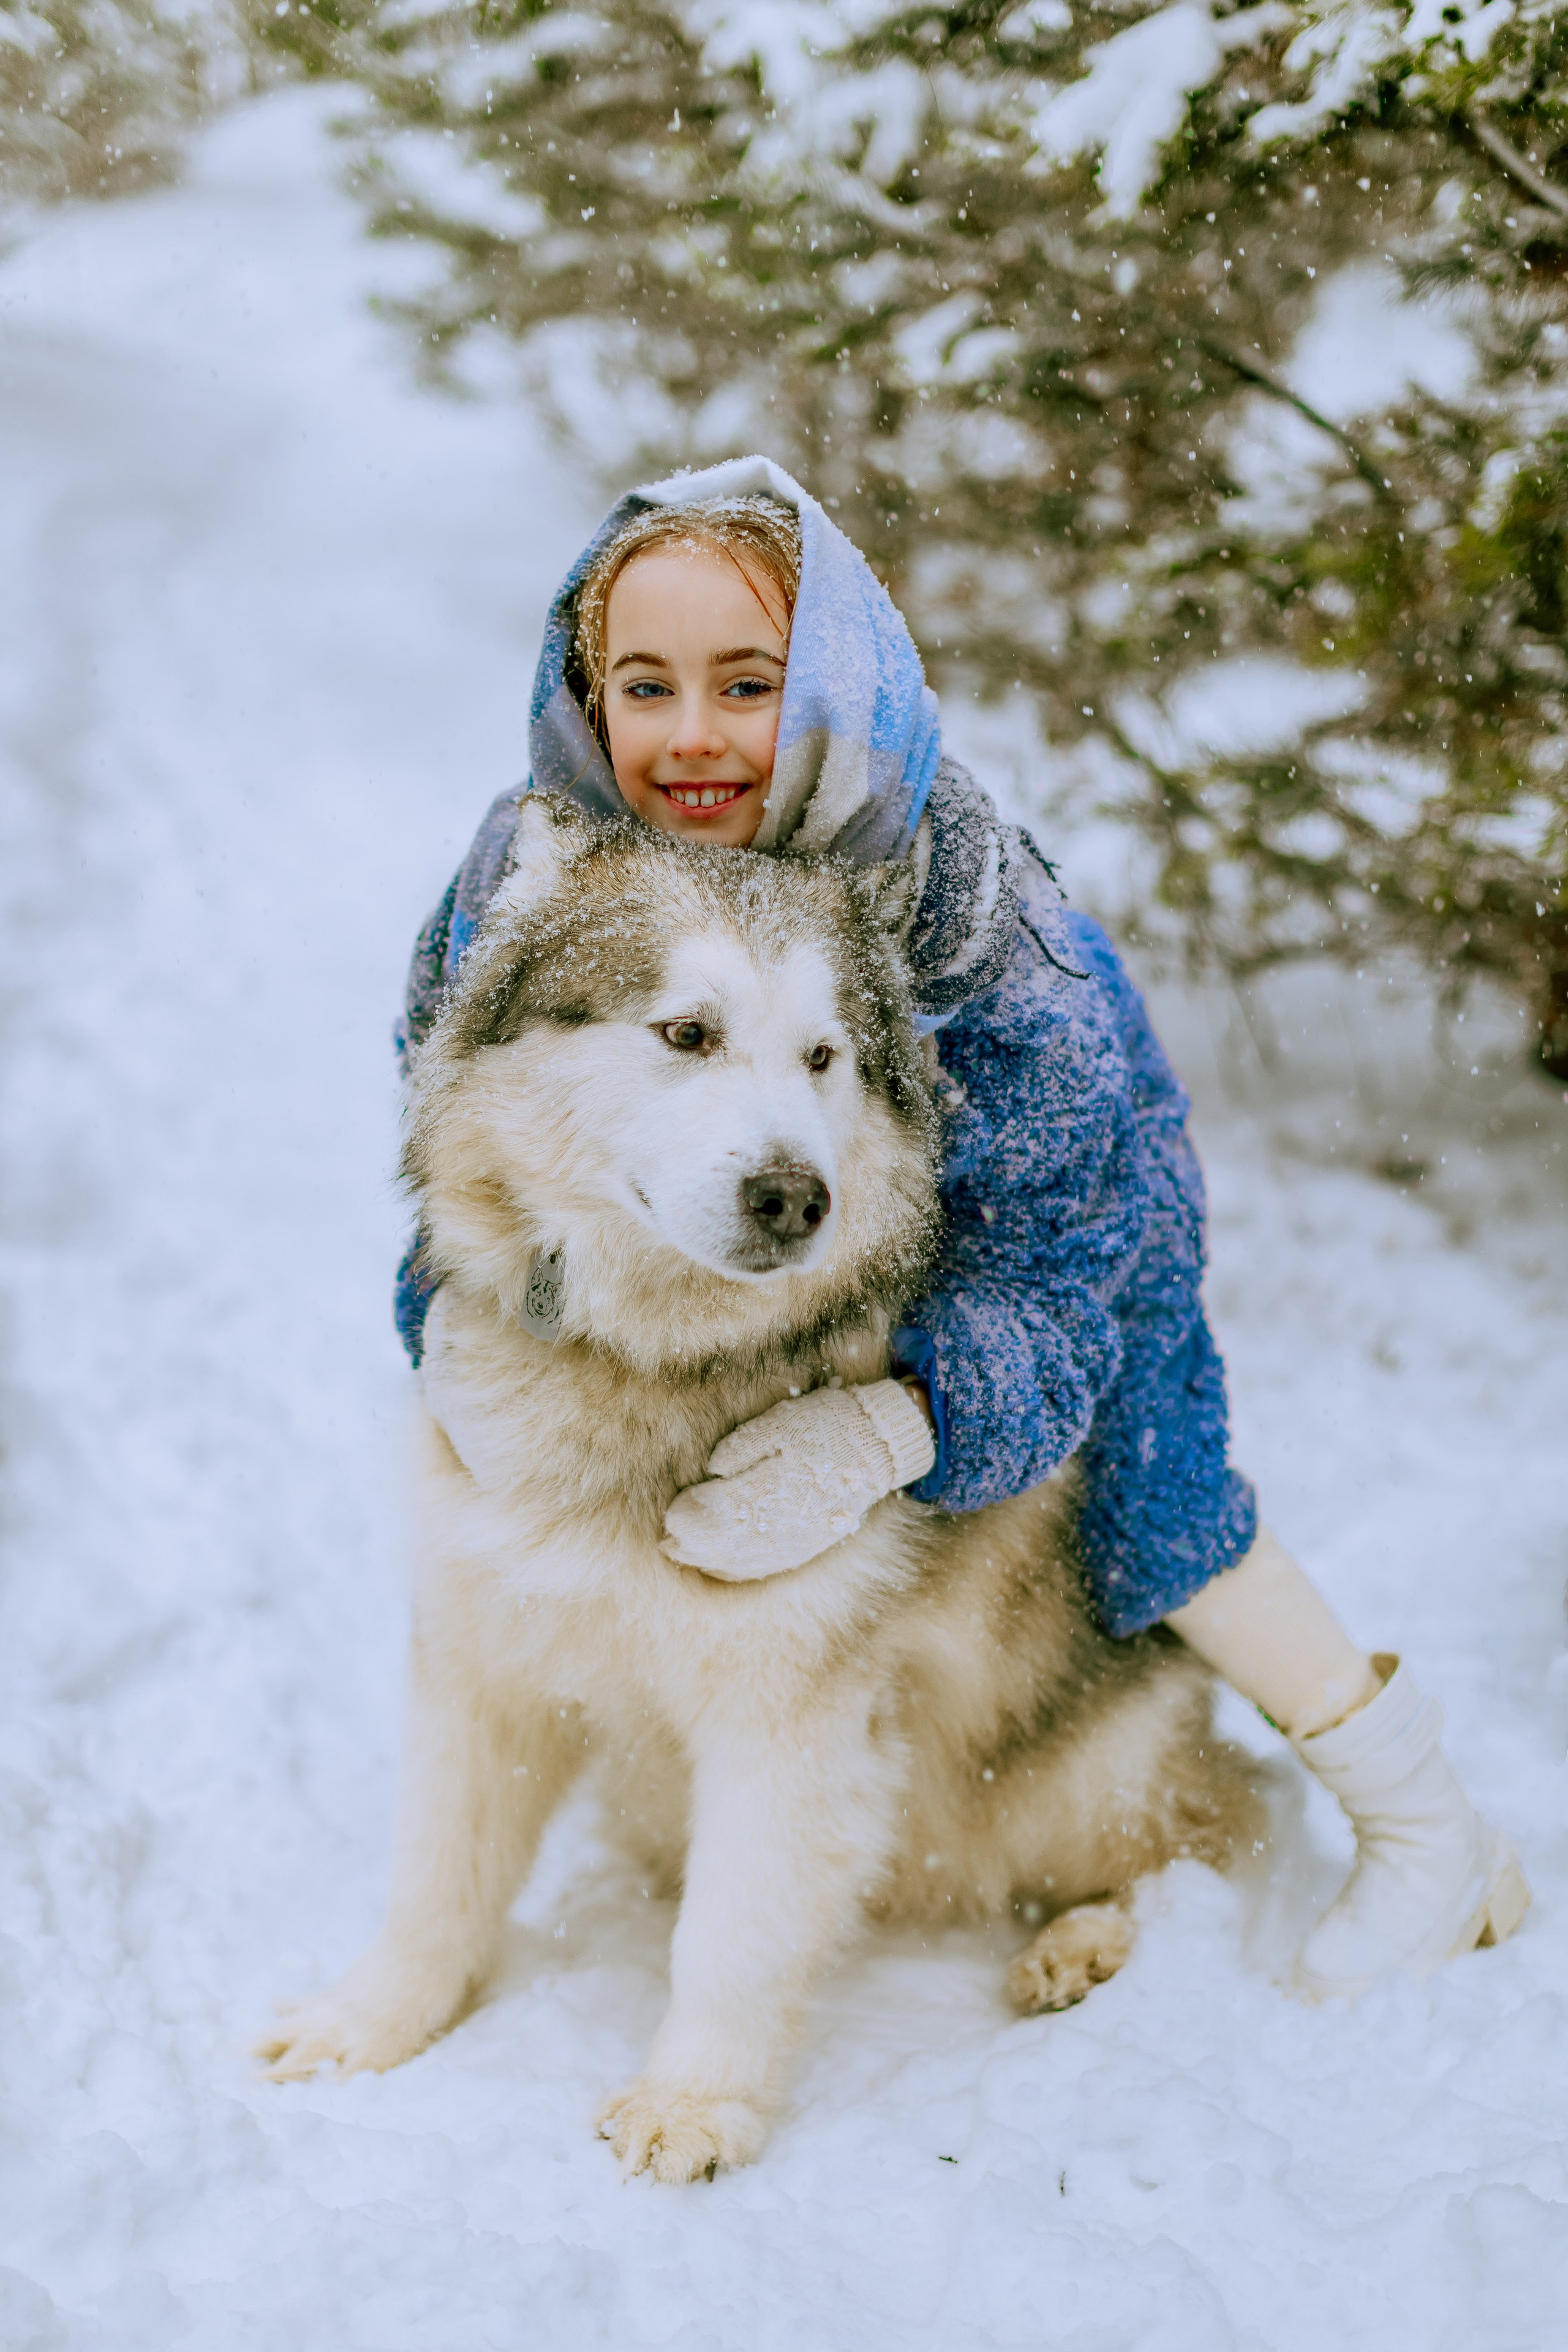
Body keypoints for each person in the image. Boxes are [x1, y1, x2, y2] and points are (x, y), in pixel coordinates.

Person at [394, 455, 1528, 1999]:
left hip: (1057, 1188)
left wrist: (908, 1423)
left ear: (828, 684)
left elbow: (1060, 1244)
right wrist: (448, 1321)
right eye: (645, 687)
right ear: (587, 699)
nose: (692, 734)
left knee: (1149, 1481)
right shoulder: (535, 859)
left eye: (747, 685)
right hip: (816, 1184)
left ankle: (1419, 1821)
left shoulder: (953, 882)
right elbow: (452, 1102)